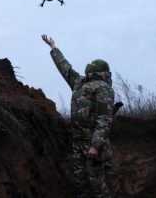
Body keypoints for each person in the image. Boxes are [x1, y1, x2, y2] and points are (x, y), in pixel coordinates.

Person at [41, 34, 114, 198]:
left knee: (97, 186)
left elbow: (105, 120)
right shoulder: (80, 83)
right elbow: (64, 67)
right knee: (81, 184)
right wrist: (53, 47)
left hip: (92, 144)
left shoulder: (103, 88)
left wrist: (95, 145)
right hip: (78, 143)